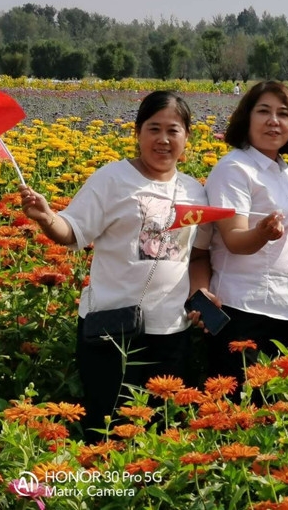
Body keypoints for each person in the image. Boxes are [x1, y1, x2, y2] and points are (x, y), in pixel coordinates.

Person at [19, 91, 212, 443]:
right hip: (112, 330)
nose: (163, 139)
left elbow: (197, 256)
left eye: (173, 130)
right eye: (154, 129)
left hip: (171, 331)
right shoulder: (113, 179)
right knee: (108, 433)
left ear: (188, 137)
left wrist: (202, 292)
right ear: (137, 132)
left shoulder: (194, 191)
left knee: (162, 435)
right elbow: (72, 231)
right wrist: (47, 217)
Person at [203, 81, 288, 397]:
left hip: (285, 308)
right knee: (240, 409)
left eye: (283, 114)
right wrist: (262, 234)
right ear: (246, 119)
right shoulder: (234, 169)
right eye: (264, 111)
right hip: (243, 310)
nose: (274, 121)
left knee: (278, 410)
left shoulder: (282, 170)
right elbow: (234, 238)